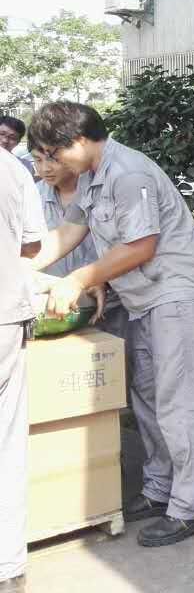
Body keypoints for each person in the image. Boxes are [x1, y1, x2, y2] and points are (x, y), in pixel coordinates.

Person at [24, 101, 194, 548]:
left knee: (182, 401)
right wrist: (17, 271)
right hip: (143, 299)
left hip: (175, 294)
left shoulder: (128, 173)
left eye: (54, 153)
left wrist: (78, 279)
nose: (51, 163)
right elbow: (68, 233)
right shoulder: (92, 175)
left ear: (78, 141)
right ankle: (160, 489)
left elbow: (140, 246)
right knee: (148, 396)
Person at [0, 147, 46, 593]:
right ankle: (9, 567)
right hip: (5, 317)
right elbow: (32, 245)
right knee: (8, 444)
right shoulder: (10, 168)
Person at [30, 148, 129, 340]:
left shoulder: (102, 192)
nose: (45, 168)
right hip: (56, 308)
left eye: (53, 160)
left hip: (109, 303)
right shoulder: (30, 196)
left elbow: (131, 246)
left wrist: (97, 280)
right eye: (38, 160)